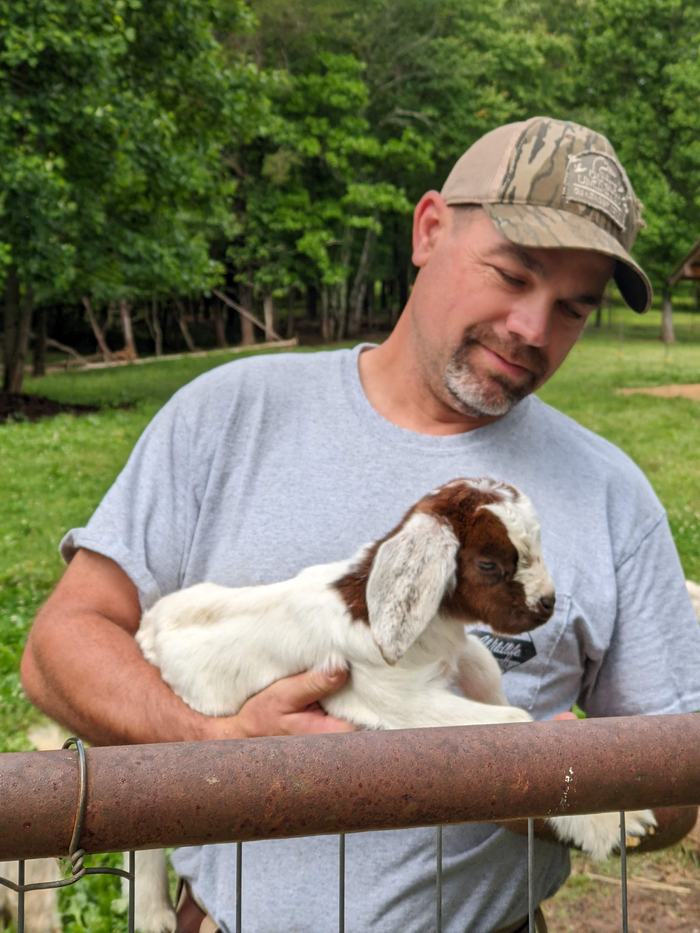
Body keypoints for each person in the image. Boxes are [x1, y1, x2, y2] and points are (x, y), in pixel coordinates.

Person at [21, 116, 700, 932]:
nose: (533, 329)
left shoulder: (611, 493)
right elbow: (61, 646)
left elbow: (673, 786)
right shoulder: (231, 414)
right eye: (512, 275)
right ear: (428, 229)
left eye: (573, 308)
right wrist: (216, 743)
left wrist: (524, 777)